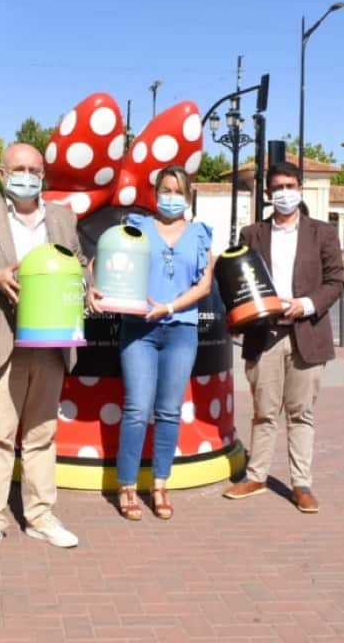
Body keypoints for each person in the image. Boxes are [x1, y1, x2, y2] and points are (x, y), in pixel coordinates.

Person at [0, 142, 100, 557]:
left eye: (35, 169)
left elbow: (79, 261)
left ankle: (40, 515)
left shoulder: (63, 216)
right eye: (19, 168)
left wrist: (88, 285)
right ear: (1, 174)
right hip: (1, 337)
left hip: (51, 341)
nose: (28, 176)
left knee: (41, 434)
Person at [222, 161, 344, 513]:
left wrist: (306, 305)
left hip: (307, 332)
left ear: (300, 188)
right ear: (268, 194)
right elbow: (237, 281)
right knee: (263, 411)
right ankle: (256, 476)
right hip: (265, 335)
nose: (284, 193)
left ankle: (301, 483)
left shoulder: (322, 233)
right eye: (277, 188)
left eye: (290, 186)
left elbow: (336, 281)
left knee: (301, 413)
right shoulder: (252, 234)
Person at [111, 165, 214, 521]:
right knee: (138, 409)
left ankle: (160, 484)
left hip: (181, 330)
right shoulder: (136, 228)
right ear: (155, 194)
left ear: (188, 195)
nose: (170, 197)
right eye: (164, 190)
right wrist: (93, 283)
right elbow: (104, 260)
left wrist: (169, 307)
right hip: (139, 330)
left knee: (170, 411)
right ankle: (126, 485)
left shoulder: (200, 234)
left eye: (177, 191)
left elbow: (203, 286)